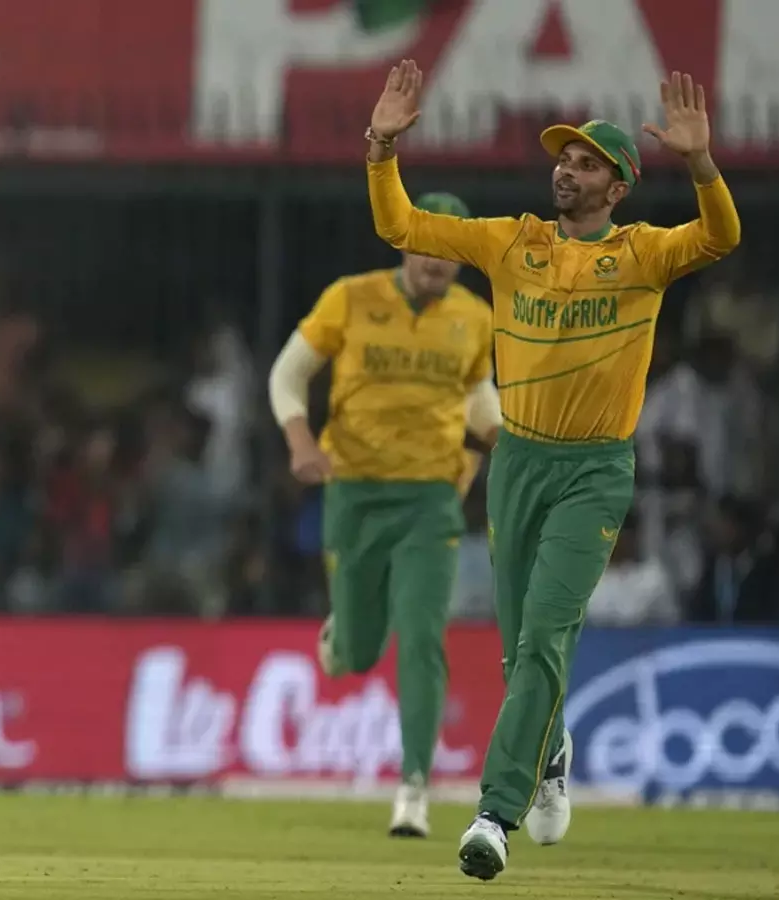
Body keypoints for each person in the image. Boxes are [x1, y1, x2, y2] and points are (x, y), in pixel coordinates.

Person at [365, 62, 739, 881]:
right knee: (519, 654)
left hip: (594, 472)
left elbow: (720, 237)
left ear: (618, 187)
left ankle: (493, 816)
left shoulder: (642, 254)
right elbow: (401, 226)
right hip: (518, 462)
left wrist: (701, 163)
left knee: (544, 637)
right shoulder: (512, 240)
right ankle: (551, 749)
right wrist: (382, 147)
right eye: (563, 160)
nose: (566, 172)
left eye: (585, 164)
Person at [268, 201, 501, 838]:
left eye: (450, 251)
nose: (435, 262)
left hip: (430, 501)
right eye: (426, 246)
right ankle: (344, 637)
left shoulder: (474, 318)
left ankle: (414, 788)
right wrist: (300, 442)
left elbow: (479, 400)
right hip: (354, 494)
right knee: (359, 654)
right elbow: (288, 375)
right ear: (404, 245)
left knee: (424, 636)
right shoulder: (351, 298)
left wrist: (502, 439)